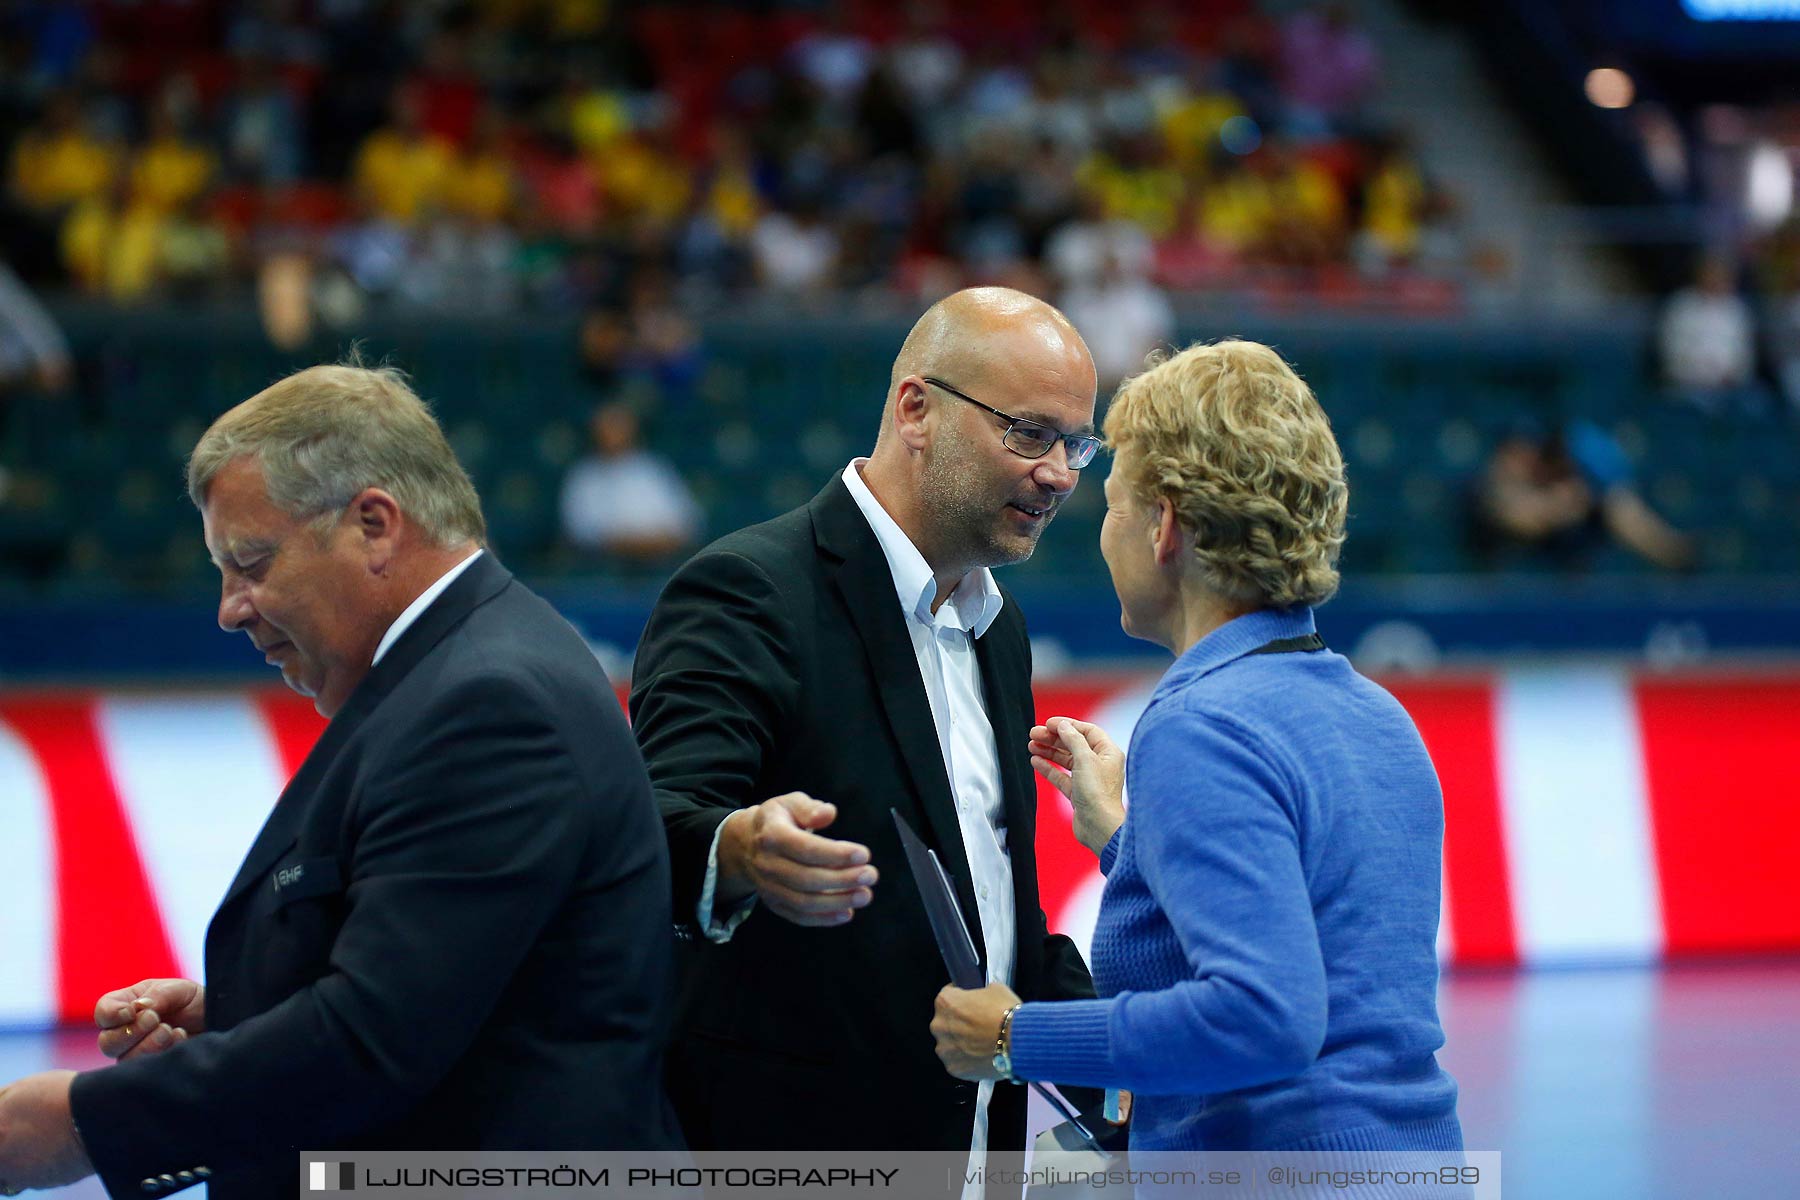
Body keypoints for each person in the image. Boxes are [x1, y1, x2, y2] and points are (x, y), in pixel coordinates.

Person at [0, 363, 682, 1197]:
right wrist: (248, 1009)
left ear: (374, 524)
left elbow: (374, 1042)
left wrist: (80, 1124)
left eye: (250, 562)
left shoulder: (487, 704)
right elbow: (461, 988)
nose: (230, 607)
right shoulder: (466, 672)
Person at [931, 339, 1464, 1155]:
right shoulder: (1376, 715)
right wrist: (1123, 838)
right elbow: (1309, 931)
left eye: (1112, 505)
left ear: (1164, 527)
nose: (1102, 533)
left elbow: (1263, 1018)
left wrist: (1012, 1037)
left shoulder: (1200, 727)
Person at [630, 288, 1101, 1166]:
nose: (1060, 474)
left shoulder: (1000, 629)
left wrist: (1130, 1073)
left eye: (1077, 444)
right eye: (1028, 433)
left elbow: (998, 921)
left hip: (971, 1153)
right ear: (916, 409)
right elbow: (645, 830)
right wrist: (736, 851)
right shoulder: (749, 589)